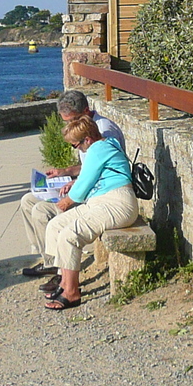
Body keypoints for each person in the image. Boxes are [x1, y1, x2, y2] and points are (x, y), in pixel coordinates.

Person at [19, 89, 125, 277]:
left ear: (85, 111)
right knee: (28, 200)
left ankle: (56, 265)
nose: (70, 124)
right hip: (85, 185)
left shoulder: (103, 131)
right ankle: (46, 256)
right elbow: (89, 166)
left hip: (97, 193)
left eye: (71, 120)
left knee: (41, 211)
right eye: (66, 121)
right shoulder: (86, 128)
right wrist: (66, 172)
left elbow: (99, 170)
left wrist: (72, 188)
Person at [39, 114, 139, 310]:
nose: (76, 149)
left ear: (88, 139)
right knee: (56, 225)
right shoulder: (103, 145)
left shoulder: (98, 149)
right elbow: (88, 178)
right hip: (101, 201)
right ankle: (63, 278)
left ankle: (72, 292)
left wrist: (66, 202)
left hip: (117, 204)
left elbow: (84, 183)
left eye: (75, 145)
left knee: (70, 235)